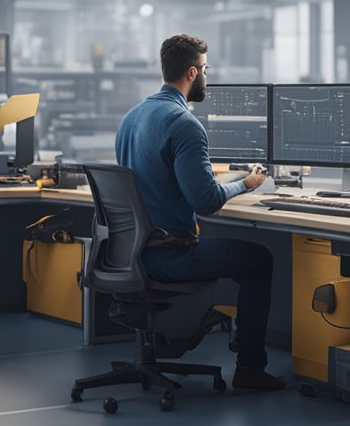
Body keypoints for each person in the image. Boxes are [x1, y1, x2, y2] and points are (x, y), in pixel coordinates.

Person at [115, 33, 286, 392]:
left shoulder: (132, 117)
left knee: (249, 256)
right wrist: (246, 183)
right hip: (168, 255)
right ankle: (250, 369)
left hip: (129, 253)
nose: (207, 76)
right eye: (206, 70)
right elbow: (206, 201)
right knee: (260, 261)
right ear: (192, 73)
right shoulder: (185, 123)